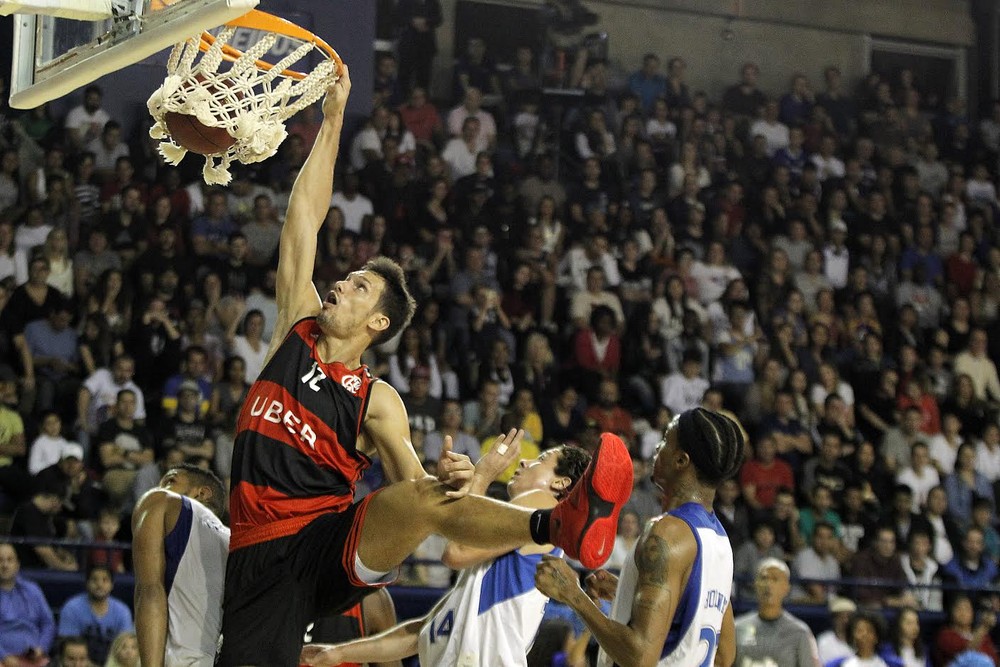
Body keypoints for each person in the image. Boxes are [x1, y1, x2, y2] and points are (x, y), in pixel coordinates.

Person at [218, 68, 633, 667]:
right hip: (263, 553)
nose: (340, 283)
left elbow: (426, 502)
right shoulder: (296, 328)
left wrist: (456, 478)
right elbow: (302, 221)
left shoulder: (377, 399)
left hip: (329, 542)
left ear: (378, 323)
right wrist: (333, 120)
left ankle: (560, 526)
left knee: (418, 496)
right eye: (347, 277)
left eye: (359, 286)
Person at [300, 445, 591, 666]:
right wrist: (337, 652)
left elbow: (456, 550)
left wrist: (483, 475)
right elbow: (421, 633)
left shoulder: (541, 505)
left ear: (560, 484)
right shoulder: (492, 563)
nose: (526, 461)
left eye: (541, 460)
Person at [534, 408, 745, 666]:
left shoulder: (668, 533)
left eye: (666, 438)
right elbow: (724, 655)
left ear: (682, 461)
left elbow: (639, 657)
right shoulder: (719, 539)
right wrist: (628, 592)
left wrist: (572, 594)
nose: (658, 447)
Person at [132, 464, 229, 667]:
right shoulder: (233, 541)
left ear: (202, 492)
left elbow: (150, 591)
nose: (163, 488)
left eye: (170, 481)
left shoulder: (163, 500)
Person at [734, 558, 821, 666]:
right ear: (755, 584)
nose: (768, 584)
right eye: (764, 578)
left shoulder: (800, 632)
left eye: (775, 579)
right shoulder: (737, 628)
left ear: (786, 588)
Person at [57, 564, 134, 664]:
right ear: (87, 583)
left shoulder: (122, 611)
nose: (99, 584)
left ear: (112, 584)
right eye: (94, 580)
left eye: (105, 580)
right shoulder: (72, 607)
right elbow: (68, 647)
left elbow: (126, 645)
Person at [0, 543, 55, 666]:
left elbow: (48, 623)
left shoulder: (32, 589)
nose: (4, 565)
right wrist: (4, 656)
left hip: (34, 657)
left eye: (9, 560)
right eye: (0, 560)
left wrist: (42, 648)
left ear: (17, 565)